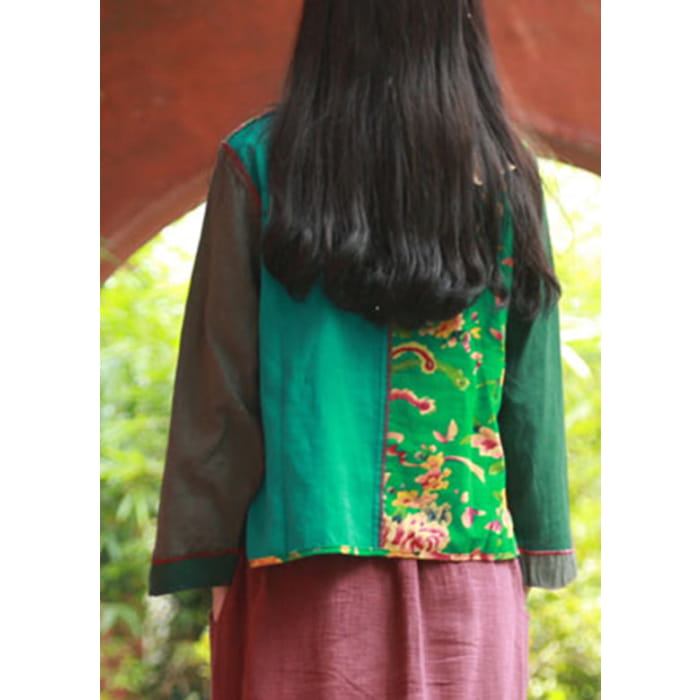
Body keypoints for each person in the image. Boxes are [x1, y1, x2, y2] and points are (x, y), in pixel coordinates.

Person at [148, 1, 577, 698]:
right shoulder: (503, 175)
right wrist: (540, 542)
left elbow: (219, 385)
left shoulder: (258, 163)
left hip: (303, 572)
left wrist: (207, 559)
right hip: (469, 574)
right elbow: (530, 393)